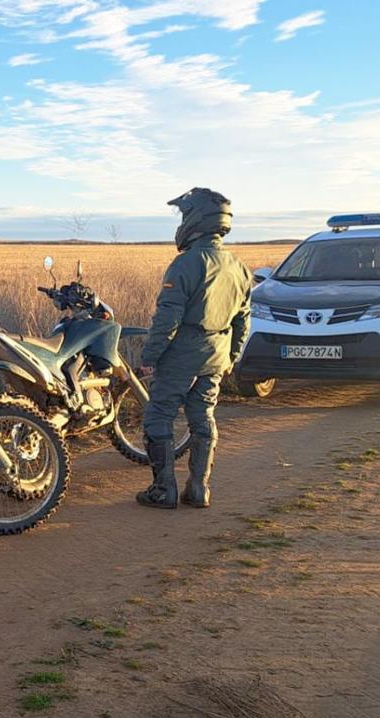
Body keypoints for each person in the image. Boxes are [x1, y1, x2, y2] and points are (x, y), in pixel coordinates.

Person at [136, 188, 252, 510]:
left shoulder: (186, 263)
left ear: (196, 220)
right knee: (203, 416)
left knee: (159, 415)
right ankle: (199, 489)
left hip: (182, 352)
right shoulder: (238, 266)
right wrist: (231, 356)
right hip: (216, 353)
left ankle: (164, 490)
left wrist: (150, 357)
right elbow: (244, 319)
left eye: (186, 216)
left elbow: (167, 318)